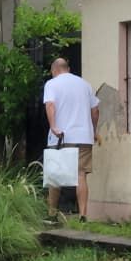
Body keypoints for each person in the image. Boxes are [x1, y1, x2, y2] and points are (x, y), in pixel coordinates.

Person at [43, 58, 99, 221]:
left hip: (60, 136)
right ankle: (83, 215)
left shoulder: (52, 84)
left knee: (55, 175)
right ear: (68, 68)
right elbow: (95, 111)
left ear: (54, 70)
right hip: (83, 136)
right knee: (81, 175)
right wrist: (93, 131)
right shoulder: (85, 84)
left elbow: (50, 105)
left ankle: (52, 214)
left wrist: (53, 126)